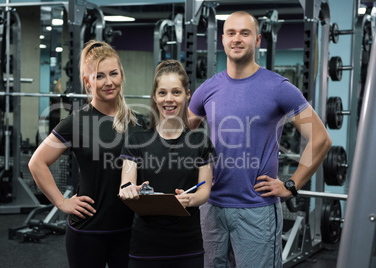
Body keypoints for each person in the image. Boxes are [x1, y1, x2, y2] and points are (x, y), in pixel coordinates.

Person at [188, 11, 332, 268]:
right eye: (231, 33)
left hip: (256, 209)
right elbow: (179, 136)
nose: (237, 39)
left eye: (245, 33)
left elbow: (320, 139)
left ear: (257, 40)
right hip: (211, 208)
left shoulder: (278, 88)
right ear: (222, 39)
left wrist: (291, 185)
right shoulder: (207, 89)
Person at [28, 40, 146, 268]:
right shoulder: (76, 122)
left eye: (113, 73)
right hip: (88, 231)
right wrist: (62, 202)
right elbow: (37, 163)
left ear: (121, 75)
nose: (109, 82)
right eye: (100, 76)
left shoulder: (137, 122)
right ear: (87, 81)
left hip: (130, 230)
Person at [118, 60, 217, 268]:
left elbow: (204, 192)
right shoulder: (136, 140)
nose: (169, 99)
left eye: (176, 92)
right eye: (162, 93)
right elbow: (126, 184)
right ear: (154, 97)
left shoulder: (200, 142)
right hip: (145, 245)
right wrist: (128, 190)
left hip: (187, 245)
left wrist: (189, 199)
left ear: (187, 95)